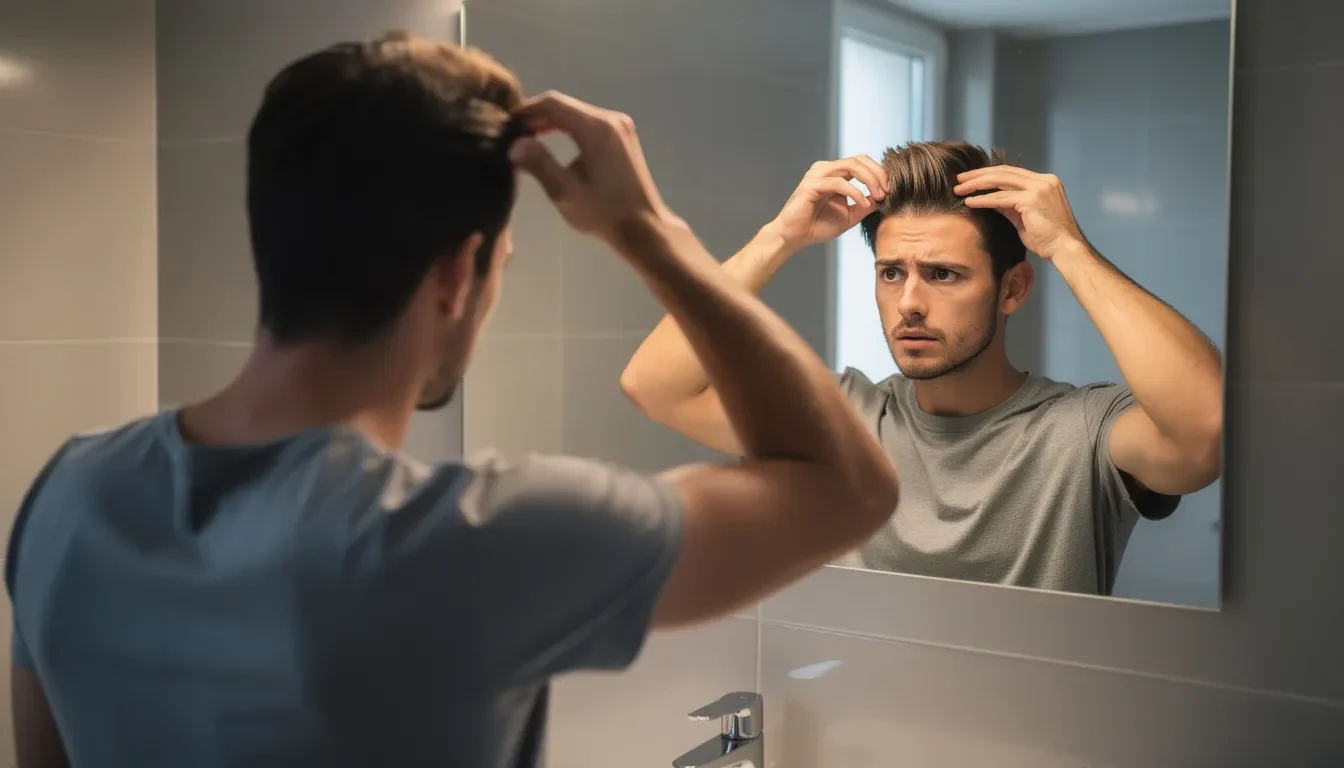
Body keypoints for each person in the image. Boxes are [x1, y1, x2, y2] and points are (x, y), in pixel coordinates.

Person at [5, 34, 900, 768]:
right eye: (499, 267)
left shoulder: (69, 493)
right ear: (457, 274)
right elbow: (848, 486)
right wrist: (651, 233)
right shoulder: (475, 540)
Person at [621, 142, 1223, 596]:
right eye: (891, 273)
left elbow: (1206, 430)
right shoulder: (839, 420)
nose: (909, 301)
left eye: (943, 274)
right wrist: (779, 237)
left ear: (1012, 289)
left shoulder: (1083, 431)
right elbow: (656, 386)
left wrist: (1068, 247)